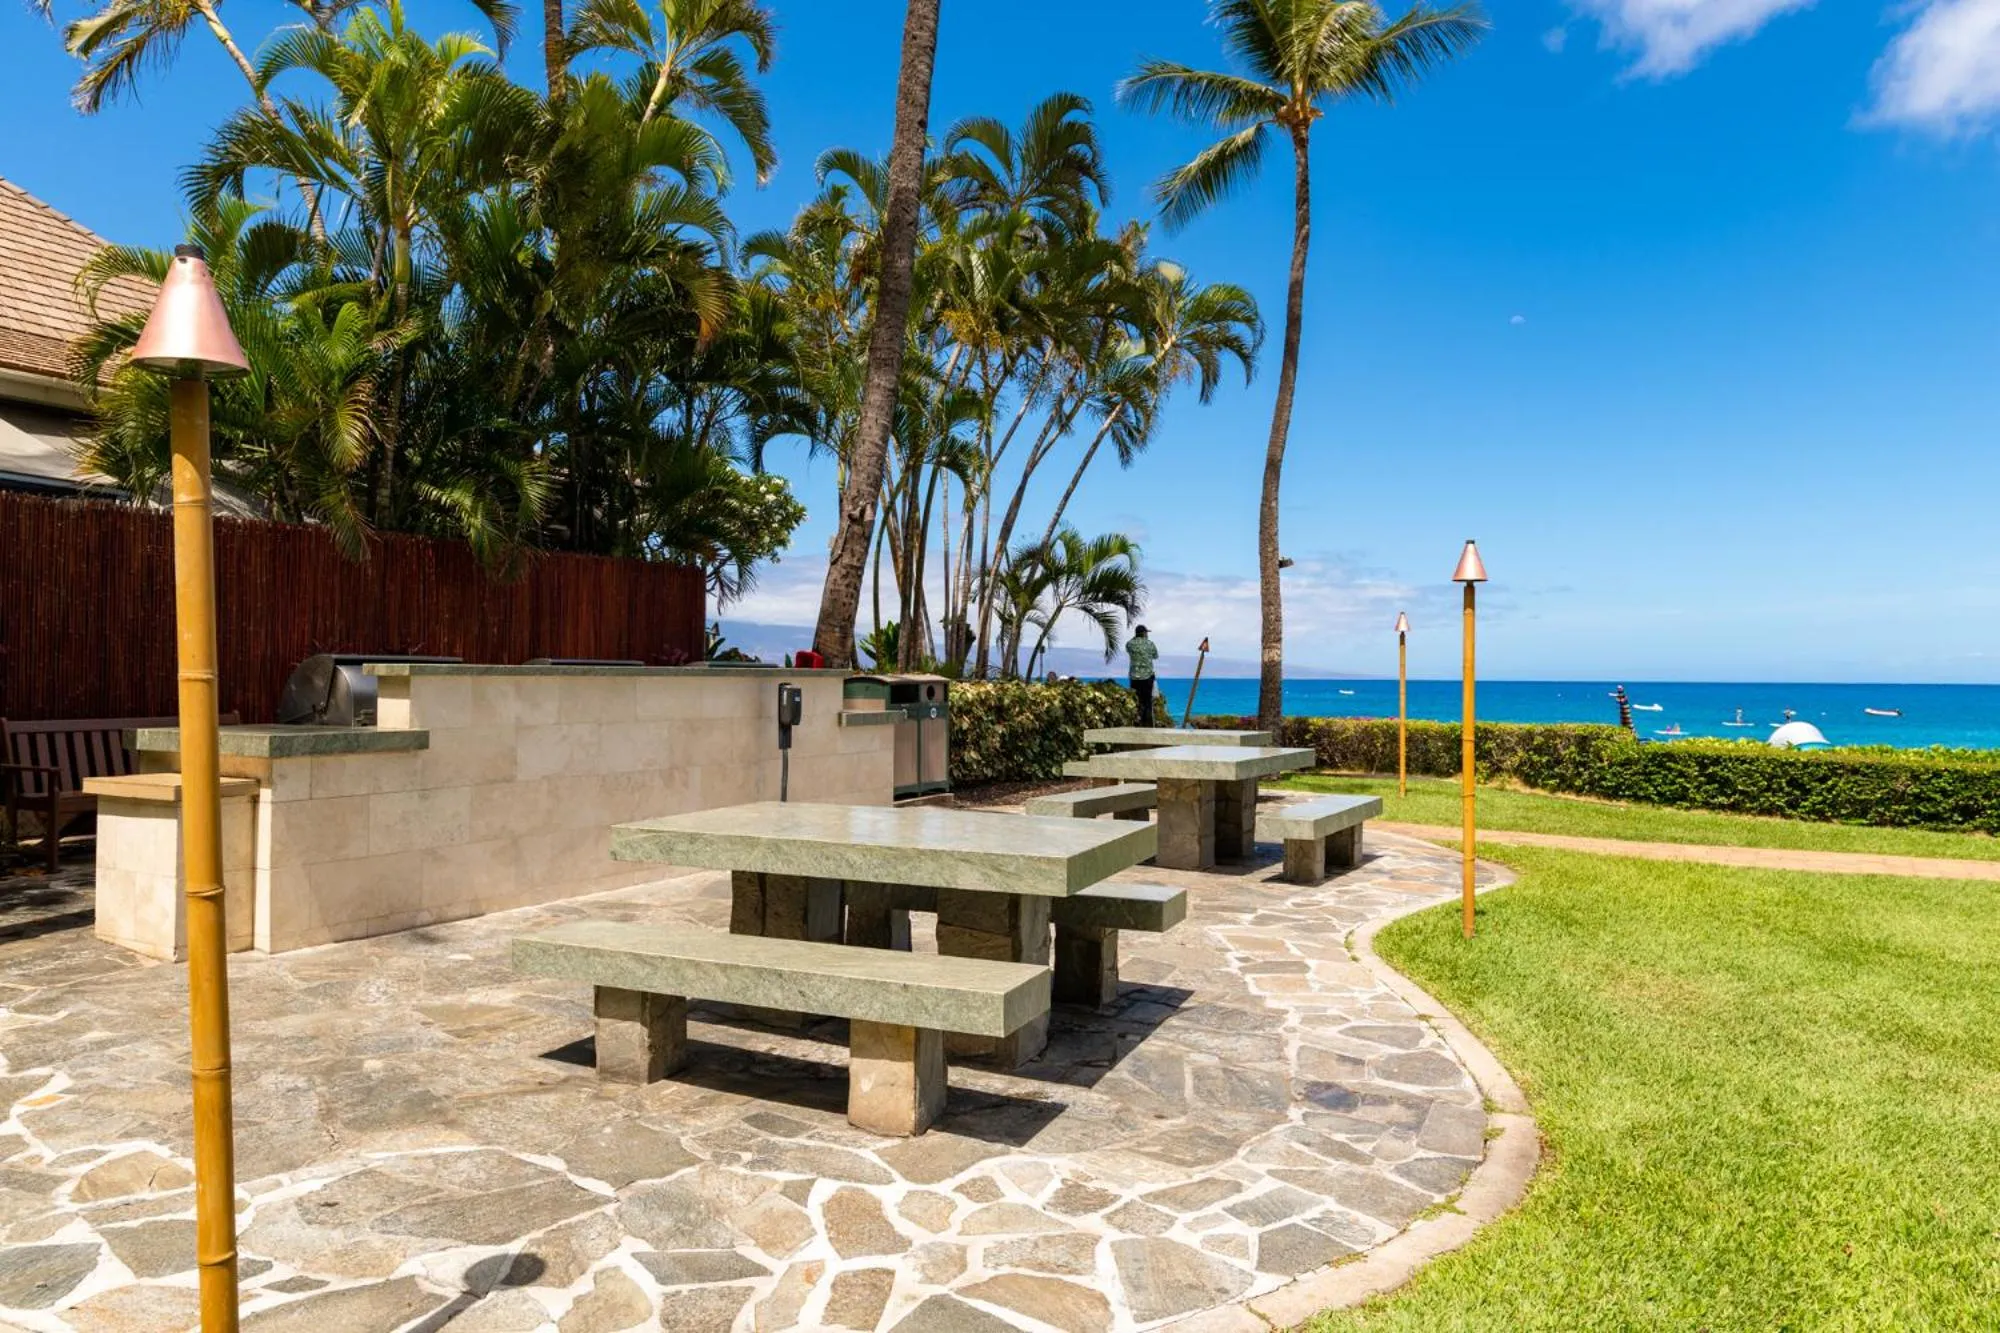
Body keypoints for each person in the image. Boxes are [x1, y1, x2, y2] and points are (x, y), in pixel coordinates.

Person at [1127, 625, 1160, 726]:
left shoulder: (1130, 643)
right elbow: (1155, 656)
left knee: (1137, 700)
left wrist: (1135, 638)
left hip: (1134, 678)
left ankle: (1137, 722)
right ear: (1144, 633)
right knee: (1147, 702)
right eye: (1146, 633)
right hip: (1147, 677)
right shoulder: (1150, 644)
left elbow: (1128, 649)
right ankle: (1148, 725)